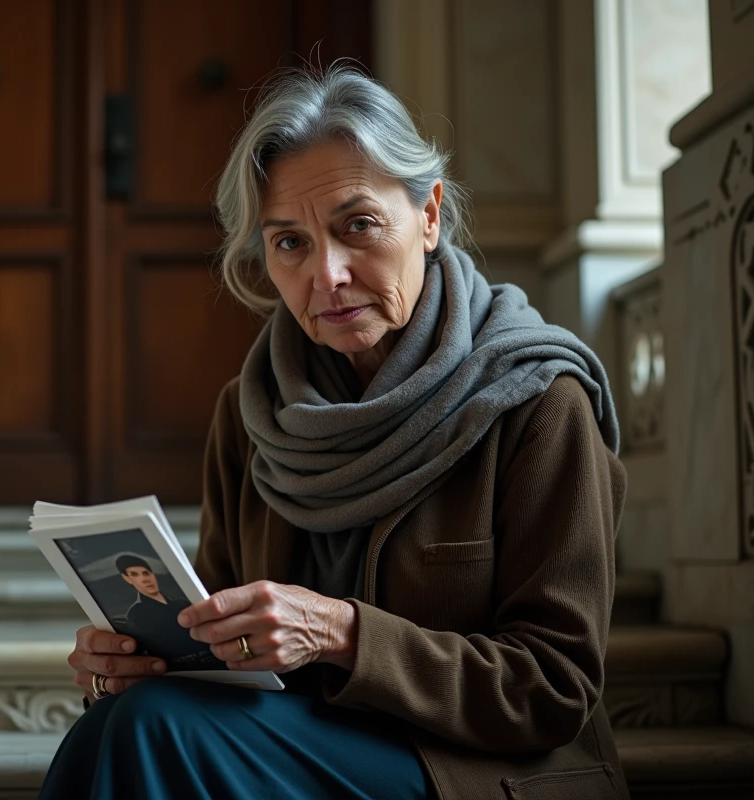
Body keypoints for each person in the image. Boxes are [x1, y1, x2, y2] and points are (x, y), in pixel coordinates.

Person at [41, 64, 628, 800]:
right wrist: (133, 664)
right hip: (292, 740)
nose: (328, 274)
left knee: (147, 733)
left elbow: (553, 688)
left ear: (430, 214)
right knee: (133, 715)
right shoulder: (252, 413)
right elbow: (223, 657)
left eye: (358, 226)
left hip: (474, 767)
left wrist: (344, 633)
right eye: (289, 243)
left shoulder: (539, 400)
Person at [113, 555, 208, 665]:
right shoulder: (137, 613)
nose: (144, 579)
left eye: (146, 573)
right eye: (134, 574)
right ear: (126, 578)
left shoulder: (182, 603)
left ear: (153, 574)